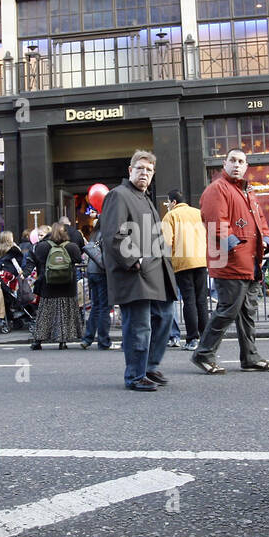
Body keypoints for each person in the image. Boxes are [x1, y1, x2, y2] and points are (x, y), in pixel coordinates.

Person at [192, 149, 269, 374]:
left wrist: (266, 240)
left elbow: (260, 220)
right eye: (233, 160)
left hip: (249, 262)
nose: (237, 165)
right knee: (228, 310)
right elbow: (215, 220)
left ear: (246, 166)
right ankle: (203, 354)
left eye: (241, 161)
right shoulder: (217, 189)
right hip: (231, 262)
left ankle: (250, 357)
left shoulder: (247, 191)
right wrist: (234, 245)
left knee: (247, 312)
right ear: (224, 163)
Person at [99, 150, 178, 391]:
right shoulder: (118, 195)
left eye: (149, 170)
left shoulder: (144, 198)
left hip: (156, 272)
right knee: (139, 326)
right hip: (135, 274)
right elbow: (114, 233)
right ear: (130, 170)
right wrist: (135, 261)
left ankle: (149, 367)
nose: (144, 173)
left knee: (165, 317)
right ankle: (135, 375)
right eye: (140, 168)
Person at [161, 189, 208, 350]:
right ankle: (206, 337)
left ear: (173, 202)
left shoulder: (171, 216)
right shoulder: (198, 213)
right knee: (201, 300)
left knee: (189, 300)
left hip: (183, 262)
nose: (167, 206)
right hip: (202, 260)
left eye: (168, 203)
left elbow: (167, 242)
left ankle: (192, 338)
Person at [30, 222, 83, 350]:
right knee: (64, 313)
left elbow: (37, 259)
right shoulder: (72, 247)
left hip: (49, 284)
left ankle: (38, 341)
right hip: (67, 284)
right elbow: (79, 259)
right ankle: (62, 341)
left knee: (45, 313)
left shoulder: (42, 246)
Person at [79, 223, 112, 350]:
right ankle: (103, 341)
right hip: (102, 272)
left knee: (96, 307)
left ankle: (87, 338)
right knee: (104, 307)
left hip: (92, 271)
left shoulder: (94, 235)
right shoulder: (106, 234)